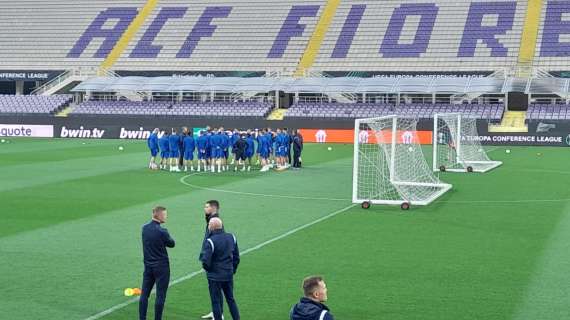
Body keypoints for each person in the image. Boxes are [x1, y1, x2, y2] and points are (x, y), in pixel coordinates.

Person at [200, 217, 240, 320]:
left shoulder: (210, 241)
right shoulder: (232, 237)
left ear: (211, 228)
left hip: (215, 277)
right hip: (228, 274)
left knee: (216, 301)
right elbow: (236, 257)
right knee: (231, 299)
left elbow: (205, 261)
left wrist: (209, 271)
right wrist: (232, 270)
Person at [139, 206, 175, 320]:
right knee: (160, 295)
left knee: (144, 295)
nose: (166, 216)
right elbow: (172, 244)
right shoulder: (162, 231)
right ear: (158, 215)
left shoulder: (144, 228)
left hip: (148, 266)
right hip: (161, 268)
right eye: (164, 214)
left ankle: (142, 318)